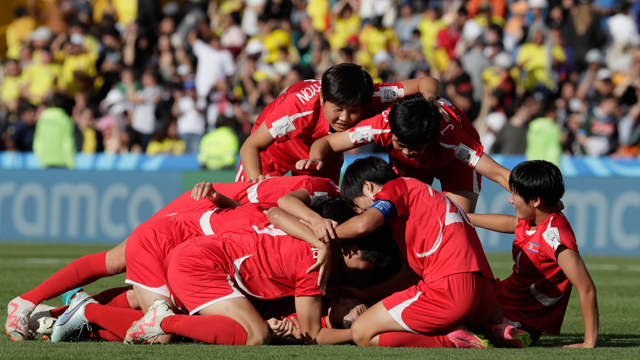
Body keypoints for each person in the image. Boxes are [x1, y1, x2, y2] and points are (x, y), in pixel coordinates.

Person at [5, 176, 341, 341]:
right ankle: (49, 306)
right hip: (184, 230)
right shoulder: (305, 196)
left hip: (194, 228)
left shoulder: (284, 215)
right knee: (159, 324)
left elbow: (264, 209)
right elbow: (270, 203)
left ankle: (62, 311)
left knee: (130, 284)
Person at [49, 202, 395, 345]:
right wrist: (362, 331)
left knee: (197, 328)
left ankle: (82, 316)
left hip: (201, 257)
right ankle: (94, 310)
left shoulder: (306, 228)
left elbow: (276, 211)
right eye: (372, 263)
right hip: (202, 265)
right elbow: (310, 333)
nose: (371, 273)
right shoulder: (316, 263)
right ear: (350, 250)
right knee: (254, 335)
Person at [307, 156, 496, 349]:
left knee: (361, 333)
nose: (357, 212)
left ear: (368, 187)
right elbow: (410, 274)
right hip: (485, 297)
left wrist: (324, 235)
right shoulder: (416, 210)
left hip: (451, 292)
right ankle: (495, 331)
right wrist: (365, 293)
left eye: (356, 205)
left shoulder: (398, 186)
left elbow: (364, 224)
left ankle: (451, 340)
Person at [299, 94, 511, 213]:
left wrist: (536, 192)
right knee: (396, 216)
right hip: (409, 169)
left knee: (456, 222)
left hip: (454, 165)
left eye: (415, 148)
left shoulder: (451, 138)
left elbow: (500, 174)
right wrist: (316, 158)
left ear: (431, 138)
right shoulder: (381, 125)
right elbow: (326, 141)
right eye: (400, 144)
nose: (408, 152)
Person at [466, 160, 599, 348]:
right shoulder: (533, 219)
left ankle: (498, 331)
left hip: (521, 319)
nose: (510, 199)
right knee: (463, 291)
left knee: (464, 301)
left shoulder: (554, 236)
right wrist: (464, 217)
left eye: (515, 194)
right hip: (502, 299)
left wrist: (588, 343)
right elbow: (511, 223)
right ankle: (487, 330)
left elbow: (586, 288)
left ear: (536, 200)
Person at [237, 63, 439, 183]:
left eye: (353, 111)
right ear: (323, 98)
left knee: (323, 215)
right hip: (273, 151)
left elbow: (425, 82)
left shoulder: (373, 94)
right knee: (248, 205)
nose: (344, 118)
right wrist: (257, 183)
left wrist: (431, 101)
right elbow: (251, 146)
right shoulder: (297, 107)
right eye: (338, 109)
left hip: (323, 160)